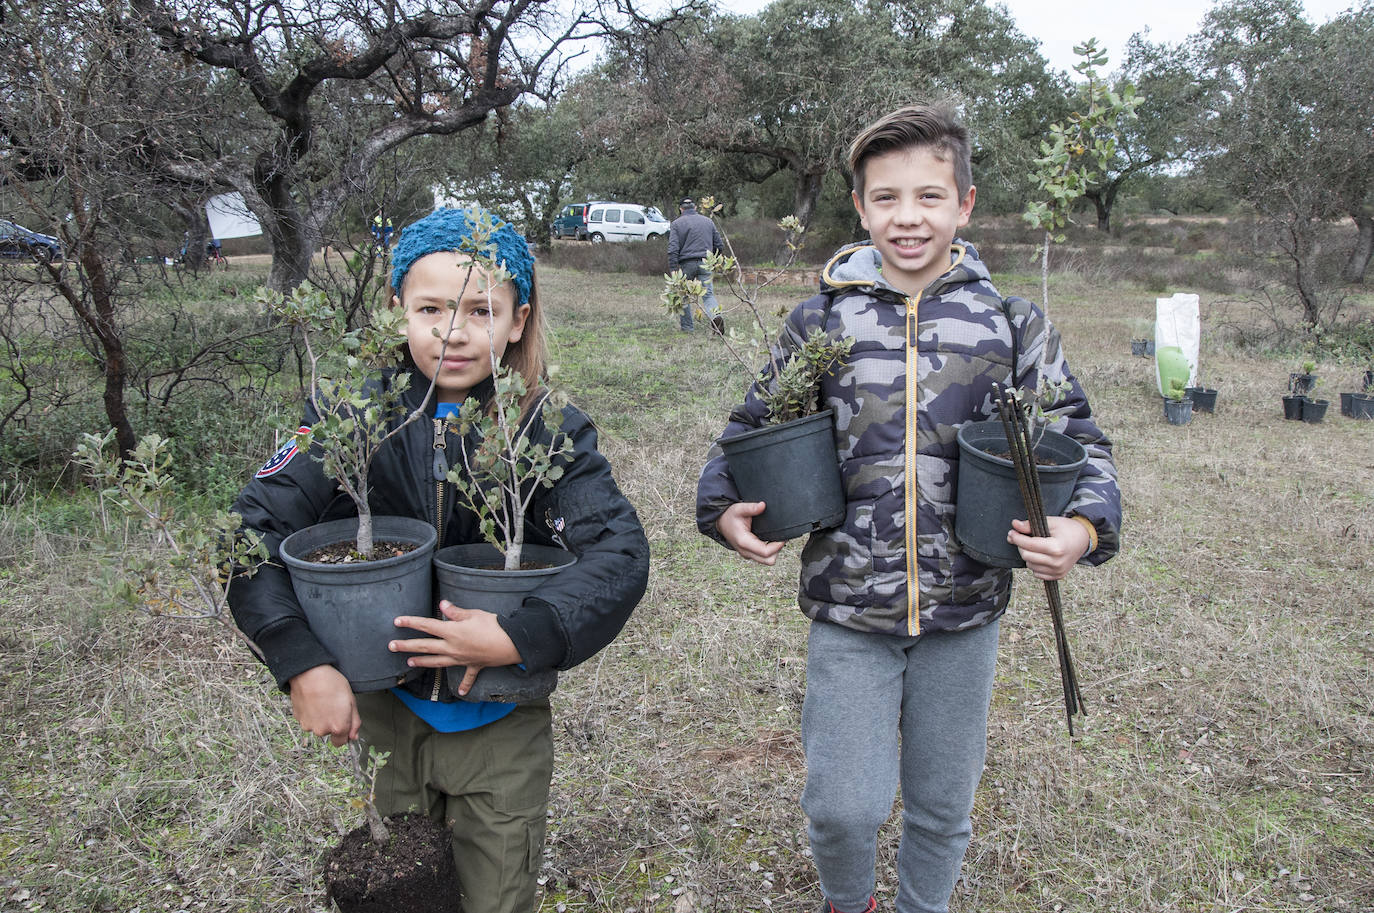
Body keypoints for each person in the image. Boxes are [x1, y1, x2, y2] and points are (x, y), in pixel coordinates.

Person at [695, 104, 1121, 913]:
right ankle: (847, 900)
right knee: (842, 804)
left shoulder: (1009, 322)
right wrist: (722, 505)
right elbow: (754, 426)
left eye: (930, 196)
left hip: (967, 610)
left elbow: (1079, 437)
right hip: (850, 608)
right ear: (859, 208)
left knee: (940, 803)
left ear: (964, 204)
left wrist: (1083, 525)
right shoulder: (822, 319)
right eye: (886, 198)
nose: (908, 216)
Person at [228, 207, 650, 913]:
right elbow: (250, 531)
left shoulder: (545, 427)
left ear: (518, 319)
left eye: (480, 309)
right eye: (429, 308)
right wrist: (299, 658)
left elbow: (620, 553)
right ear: (396, 310)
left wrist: (521, 634)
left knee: (496, 894)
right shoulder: (347, 416)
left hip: (501, 722)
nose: (452, 331)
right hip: (384, 713)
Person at [667, 197, 725, 333]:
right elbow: (719, 245)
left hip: (686, 264)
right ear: (695, 208)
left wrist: (674, 269)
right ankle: (716, 316)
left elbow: (673, 249)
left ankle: (687, 328)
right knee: (708, 294)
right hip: (706, 262)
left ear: (681, 209)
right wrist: (713, 259)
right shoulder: (708, 221)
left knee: (684, 295)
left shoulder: (676, 224)